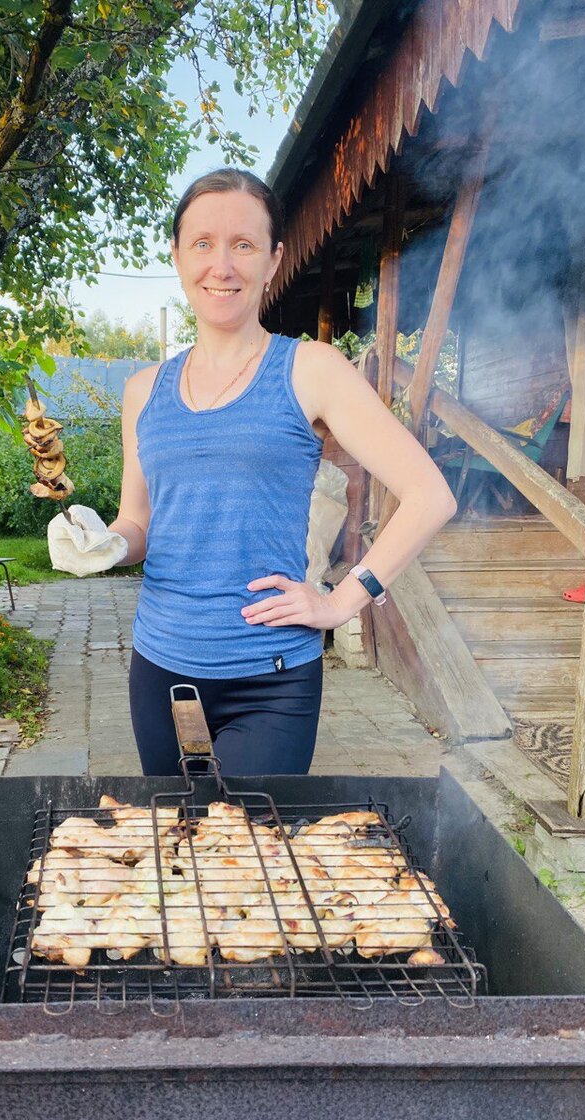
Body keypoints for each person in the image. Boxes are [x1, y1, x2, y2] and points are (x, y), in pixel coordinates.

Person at [48, 168, 458, 776]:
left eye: (243, 244)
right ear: (178, 257)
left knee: (248, 835)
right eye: (203, 243)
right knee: (175, 833)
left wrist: (343, 601)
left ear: (273, 260)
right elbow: (138, 524)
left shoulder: (311, 369)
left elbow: (429, 496)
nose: (222, 265)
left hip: (271, 680)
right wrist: (103, 543)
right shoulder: (142, 390)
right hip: (159, 671)